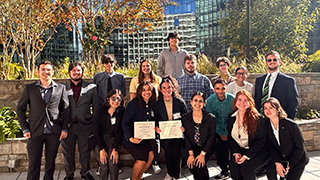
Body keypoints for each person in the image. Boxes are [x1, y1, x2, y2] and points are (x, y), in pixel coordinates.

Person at [17, 61, 69, 180]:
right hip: (34, 131)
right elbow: (20, 109)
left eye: (48, 70)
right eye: (43, 69)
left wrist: (64, 128)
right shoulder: (30, 88)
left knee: (50, 164)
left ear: (53, 72)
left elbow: (66, 110)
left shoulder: (60, 88)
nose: (46, 72)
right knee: (34, 163)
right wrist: (25, 128)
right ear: (38, 72)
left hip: (54, 131)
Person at [62, 62, 99, 180]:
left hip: (85, 125)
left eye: (78, 70)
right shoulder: (62, 88)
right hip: (68, 126)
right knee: (68, 152)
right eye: (74, 70)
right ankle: (69, 174)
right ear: (69, 73)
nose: (76, 73)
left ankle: (85, 172)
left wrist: (93, 123)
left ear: (82, 72)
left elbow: (97, 107)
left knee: (85, 151)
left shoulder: (91, 87)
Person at [227, 90, 269, 180]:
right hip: (241, 150)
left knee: (246, 169)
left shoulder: (258, 119)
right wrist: (236, 152)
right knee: (233, 168)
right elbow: (231, 138)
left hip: (258, 151)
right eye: (239, 99)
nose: (242, 103)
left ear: (250, 102)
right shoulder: (231, 118)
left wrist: (247, 156)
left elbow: (261, 141)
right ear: (235, 102)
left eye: (246, 100)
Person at [129, 59, 162, 174]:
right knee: (142, 148)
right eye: (143, 66)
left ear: (152, 67)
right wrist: (135, 109)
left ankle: (154, 163)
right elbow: (133, 97)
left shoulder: (158, 79)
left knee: (153, 145)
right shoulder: (135, 80)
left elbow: (160, 97)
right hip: (139, 114)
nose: (146, 68)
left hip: (153, 110)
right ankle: (139, 170)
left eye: (148, 66)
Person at [263, 97, 309, 180]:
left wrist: (288, 165)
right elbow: (270, 145)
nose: (267, 110)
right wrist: (277, 162)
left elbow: (299, 147)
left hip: (297, 159)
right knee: (270, 171)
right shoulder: (265, 125)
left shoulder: (291, 125)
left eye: (271, 107)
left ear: (278, 109)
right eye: (265, 108)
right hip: (280, 157)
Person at [122, 81, 157, 180]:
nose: (147, 92)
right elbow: (124, 123)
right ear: (140, 92)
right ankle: (134, 178)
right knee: (141, 160)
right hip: (132, 138)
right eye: (144, 90)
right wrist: (131, 138)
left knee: (151, 155)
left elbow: (154, 120)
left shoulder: (152, 104)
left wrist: (156, 127)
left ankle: (138, 177)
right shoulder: (133, 103)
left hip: (145, 138)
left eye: (149, 89)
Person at [154, 77, 187, 180]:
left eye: (169, 87)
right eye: (164, 87)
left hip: (177, 134)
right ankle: (170, 174)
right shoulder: (157, 104)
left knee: (177, 154)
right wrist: (156, 128)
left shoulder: (180, 102)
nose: (166, 90)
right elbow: (154, 120)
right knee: (168, 154)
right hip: (165, 134)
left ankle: (177, 176)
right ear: (160, 89)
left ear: (173, 88)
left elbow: (185, 117)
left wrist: (183, 127)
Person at [254, 50, 298, 119]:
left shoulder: (288, 81)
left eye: (275, 59)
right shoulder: (259, 80)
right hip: (261, 119)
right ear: (266, 63)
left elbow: (293, 103)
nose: (272, 62)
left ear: (279, 62)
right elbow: (256, 100)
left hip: (279, 119)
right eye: (269, 60)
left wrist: (288, 120)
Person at [182, 92, 216, 180]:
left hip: (207, 147)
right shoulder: (185, 118)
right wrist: (190, 154)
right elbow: (187, 137)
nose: (197, 103)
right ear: (191, 102)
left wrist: (203, 154)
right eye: (195, 100)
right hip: (193, 147)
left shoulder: (210, 118)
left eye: (201, 101)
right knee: (192, 166)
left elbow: (211, 138)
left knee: (199, 165)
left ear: (204, 103)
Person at [206, 79, 235, 179]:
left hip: (231, 128)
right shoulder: (209, 101)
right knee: (220, 150)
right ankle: (224, 171)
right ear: (214, 89)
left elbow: (234, 117)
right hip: (217, 129)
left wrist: (226, 133)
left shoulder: (232, 99)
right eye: (218, 88)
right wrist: (220, 132)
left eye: (223, 88)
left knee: (234, 149)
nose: (220, 91)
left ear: (226, 88)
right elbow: (211, 118)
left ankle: (234, 170)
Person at [93, 89, 125, 180]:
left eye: (118, 99)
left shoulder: (122, 112)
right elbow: (96, 131)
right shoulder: (100, 111)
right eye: (113, 98)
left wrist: (115, 149)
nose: (116, 101)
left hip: (113, 140)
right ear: (108, 99)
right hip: (100, 140)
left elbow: (120, 131)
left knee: (113, 163)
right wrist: (102, 149)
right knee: (104, 165)